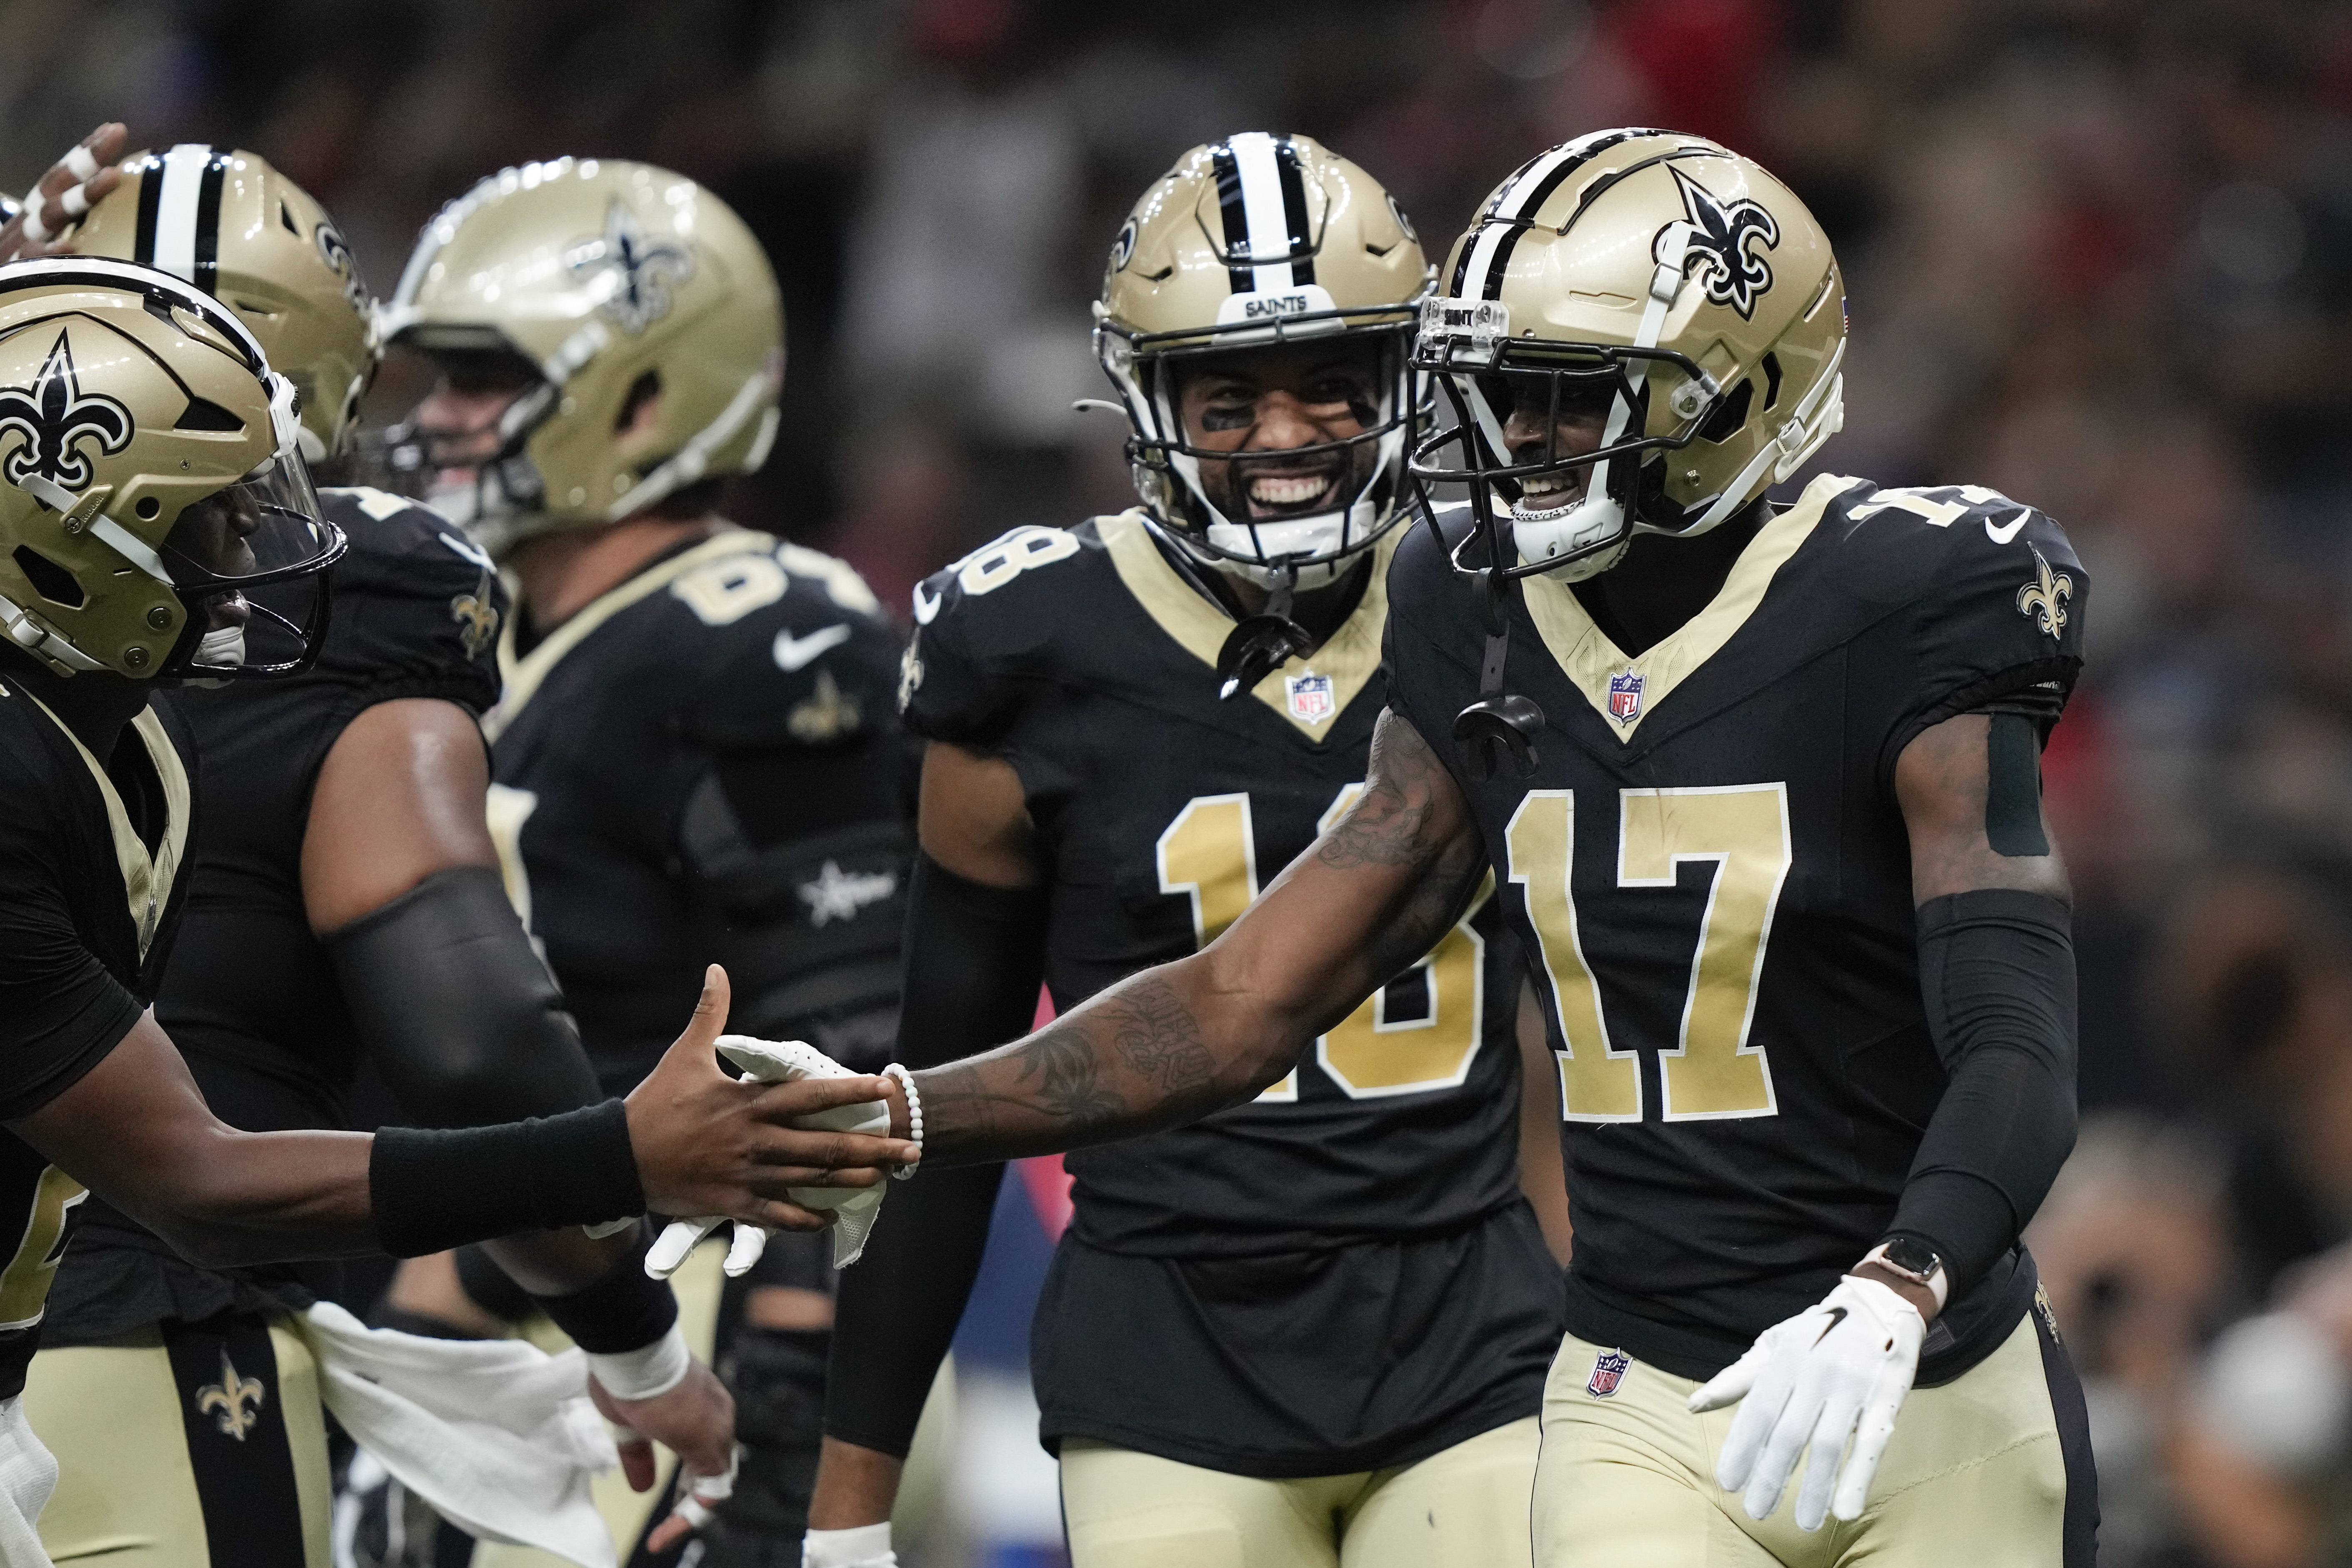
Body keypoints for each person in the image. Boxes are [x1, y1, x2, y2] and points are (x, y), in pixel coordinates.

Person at [839, 130, 2095, 1568]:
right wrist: (895, 1111)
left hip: (1922, 1358)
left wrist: (1903, 1275)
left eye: (1563, 397)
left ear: (1733, 395)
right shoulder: (1471, 609)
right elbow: (1241, 998)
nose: (1511, 436)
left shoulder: (1919, 594)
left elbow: (2015, 1030)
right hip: (1635, 1382)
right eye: (1497, 391)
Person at [0, 256, 909, 1567]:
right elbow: (205, 1175)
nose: (252, 554)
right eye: (206, 514)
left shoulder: (99, 735)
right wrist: (624, 1165)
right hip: (161, 1329)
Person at [804, 133, 1568, 1568]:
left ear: (1404, 383)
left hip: (1471, 1336)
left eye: (1329, 385)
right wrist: (849, 1504)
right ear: (1148, 405)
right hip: (1167, 1359)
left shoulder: (1508, 605)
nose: (1282, 436)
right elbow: (952, 1099)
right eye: (1229, 397)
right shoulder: (1023, 646)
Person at [376, 156, 914, 1564]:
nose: (434, 419)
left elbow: (842, 1061)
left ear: (645, 395)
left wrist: (792, 1412)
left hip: (716, 1322)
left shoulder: (760, 627)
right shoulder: (490, 641)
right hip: (550, 1308)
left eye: (480, 379)